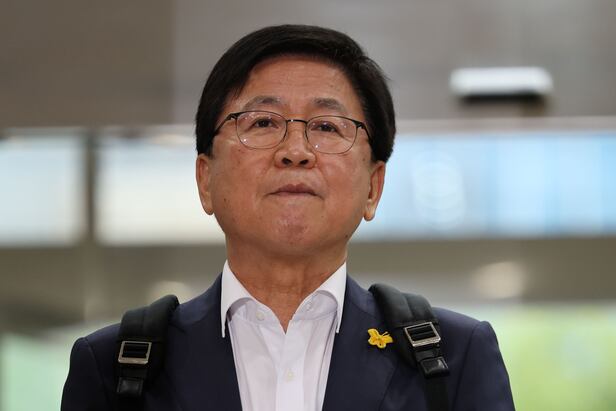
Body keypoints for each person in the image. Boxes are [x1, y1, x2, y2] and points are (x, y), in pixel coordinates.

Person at [61, 24, 515, 410]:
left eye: (327, 127)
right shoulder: (114, 368)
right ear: (205, 179)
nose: (295, 151)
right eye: (262, 122)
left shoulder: (455, 358)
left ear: (373, 187)